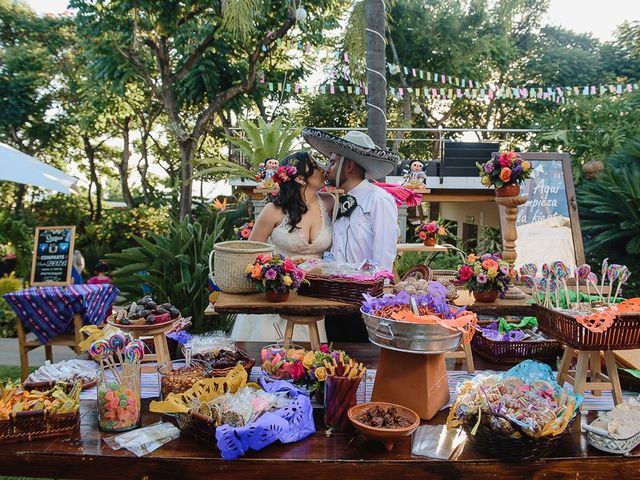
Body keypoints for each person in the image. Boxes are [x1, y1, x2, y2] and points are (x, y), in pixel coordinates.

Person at [302, 128, 400, 341]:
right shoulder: (337, 202)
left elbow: (384, 252)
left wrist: (375, 300)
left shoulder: (379, 199)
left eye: (333, 162)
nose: (328, 168)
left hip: (364, 302)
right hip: (335, 299)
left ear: (348, 166)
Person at [231, 151, 333, 343]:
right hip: (277, 297)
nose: (323, 169)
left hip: (314, 298)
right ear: (301, 178)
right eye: (316, 166)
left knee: (312, 359)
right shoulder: (273, 210)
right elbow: (250, 254)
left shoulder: (329, 204)